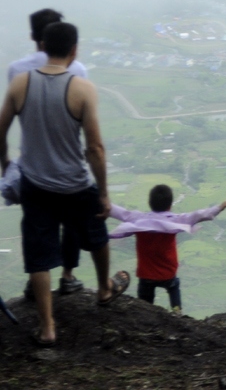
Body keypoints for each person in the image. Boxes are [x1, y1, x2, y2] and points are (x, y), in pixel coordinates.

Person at [0, 22, 130, 347]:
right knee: (96, 234)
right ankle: (104, 289)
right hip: (74, 183)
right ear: (74, 51)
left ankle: (47, 328)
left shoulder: (20, 84)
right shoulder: (82, 88)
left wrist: (7, 167)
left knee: (39, 252)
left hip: (35, 184)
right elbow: (95, 148)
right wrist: (103, 192)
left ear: (44, 47)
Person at [7, 8, 90, 298]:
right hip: (69, 162)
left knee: (37, 225)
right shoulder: (78, 70)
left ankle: (36, 283)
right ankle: (68, 276)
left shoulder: (17, 70)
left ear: (34, 36)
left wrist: (7, 164)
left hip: (32, 162)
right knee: (72, 221)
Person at [108, 185, 226, 312]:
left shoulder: (138, 219)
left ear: (150, 203)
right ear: (170, 205)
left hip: (145, 274)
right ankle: (176, 311)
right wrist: (220, 207)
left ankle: (144, 312)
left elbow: (116, 211)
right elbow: (200, 215)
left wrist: (98, 199)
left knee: (145, 302)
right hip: (168, 273)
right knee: (173, 287)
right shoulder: (175, 220)